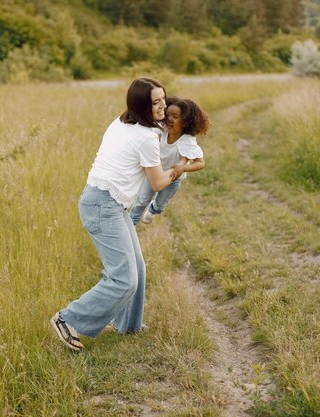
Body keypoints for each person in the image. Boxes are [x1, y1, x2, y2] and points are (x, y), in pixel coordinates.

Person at [50, 77, 175, 351]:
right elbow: (157, 184)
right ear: (142, 106)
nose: (163, 106)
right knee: (123, 279)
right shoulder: (144, 137)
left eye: (164, 99)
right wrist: (181, 170)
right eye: (156, 102)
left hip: (108, 203)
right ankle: (67, 319)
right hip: (101, 206)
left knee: (137, 270)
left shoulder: (123, 121)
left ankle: (128, 326)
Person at [130, 96, 209, 226]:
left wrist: (183, 168)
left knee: (160, 204)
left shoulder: (186, 141)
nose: (169, 119)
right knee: (142, 200)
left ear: (185, 122)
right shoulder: (161, 130)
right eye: (167, 114)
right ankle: (131, 223)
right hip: (155, 173)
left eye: (175, 116)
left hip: (173, 178)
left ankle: (153, 210)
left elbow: (200, 163)